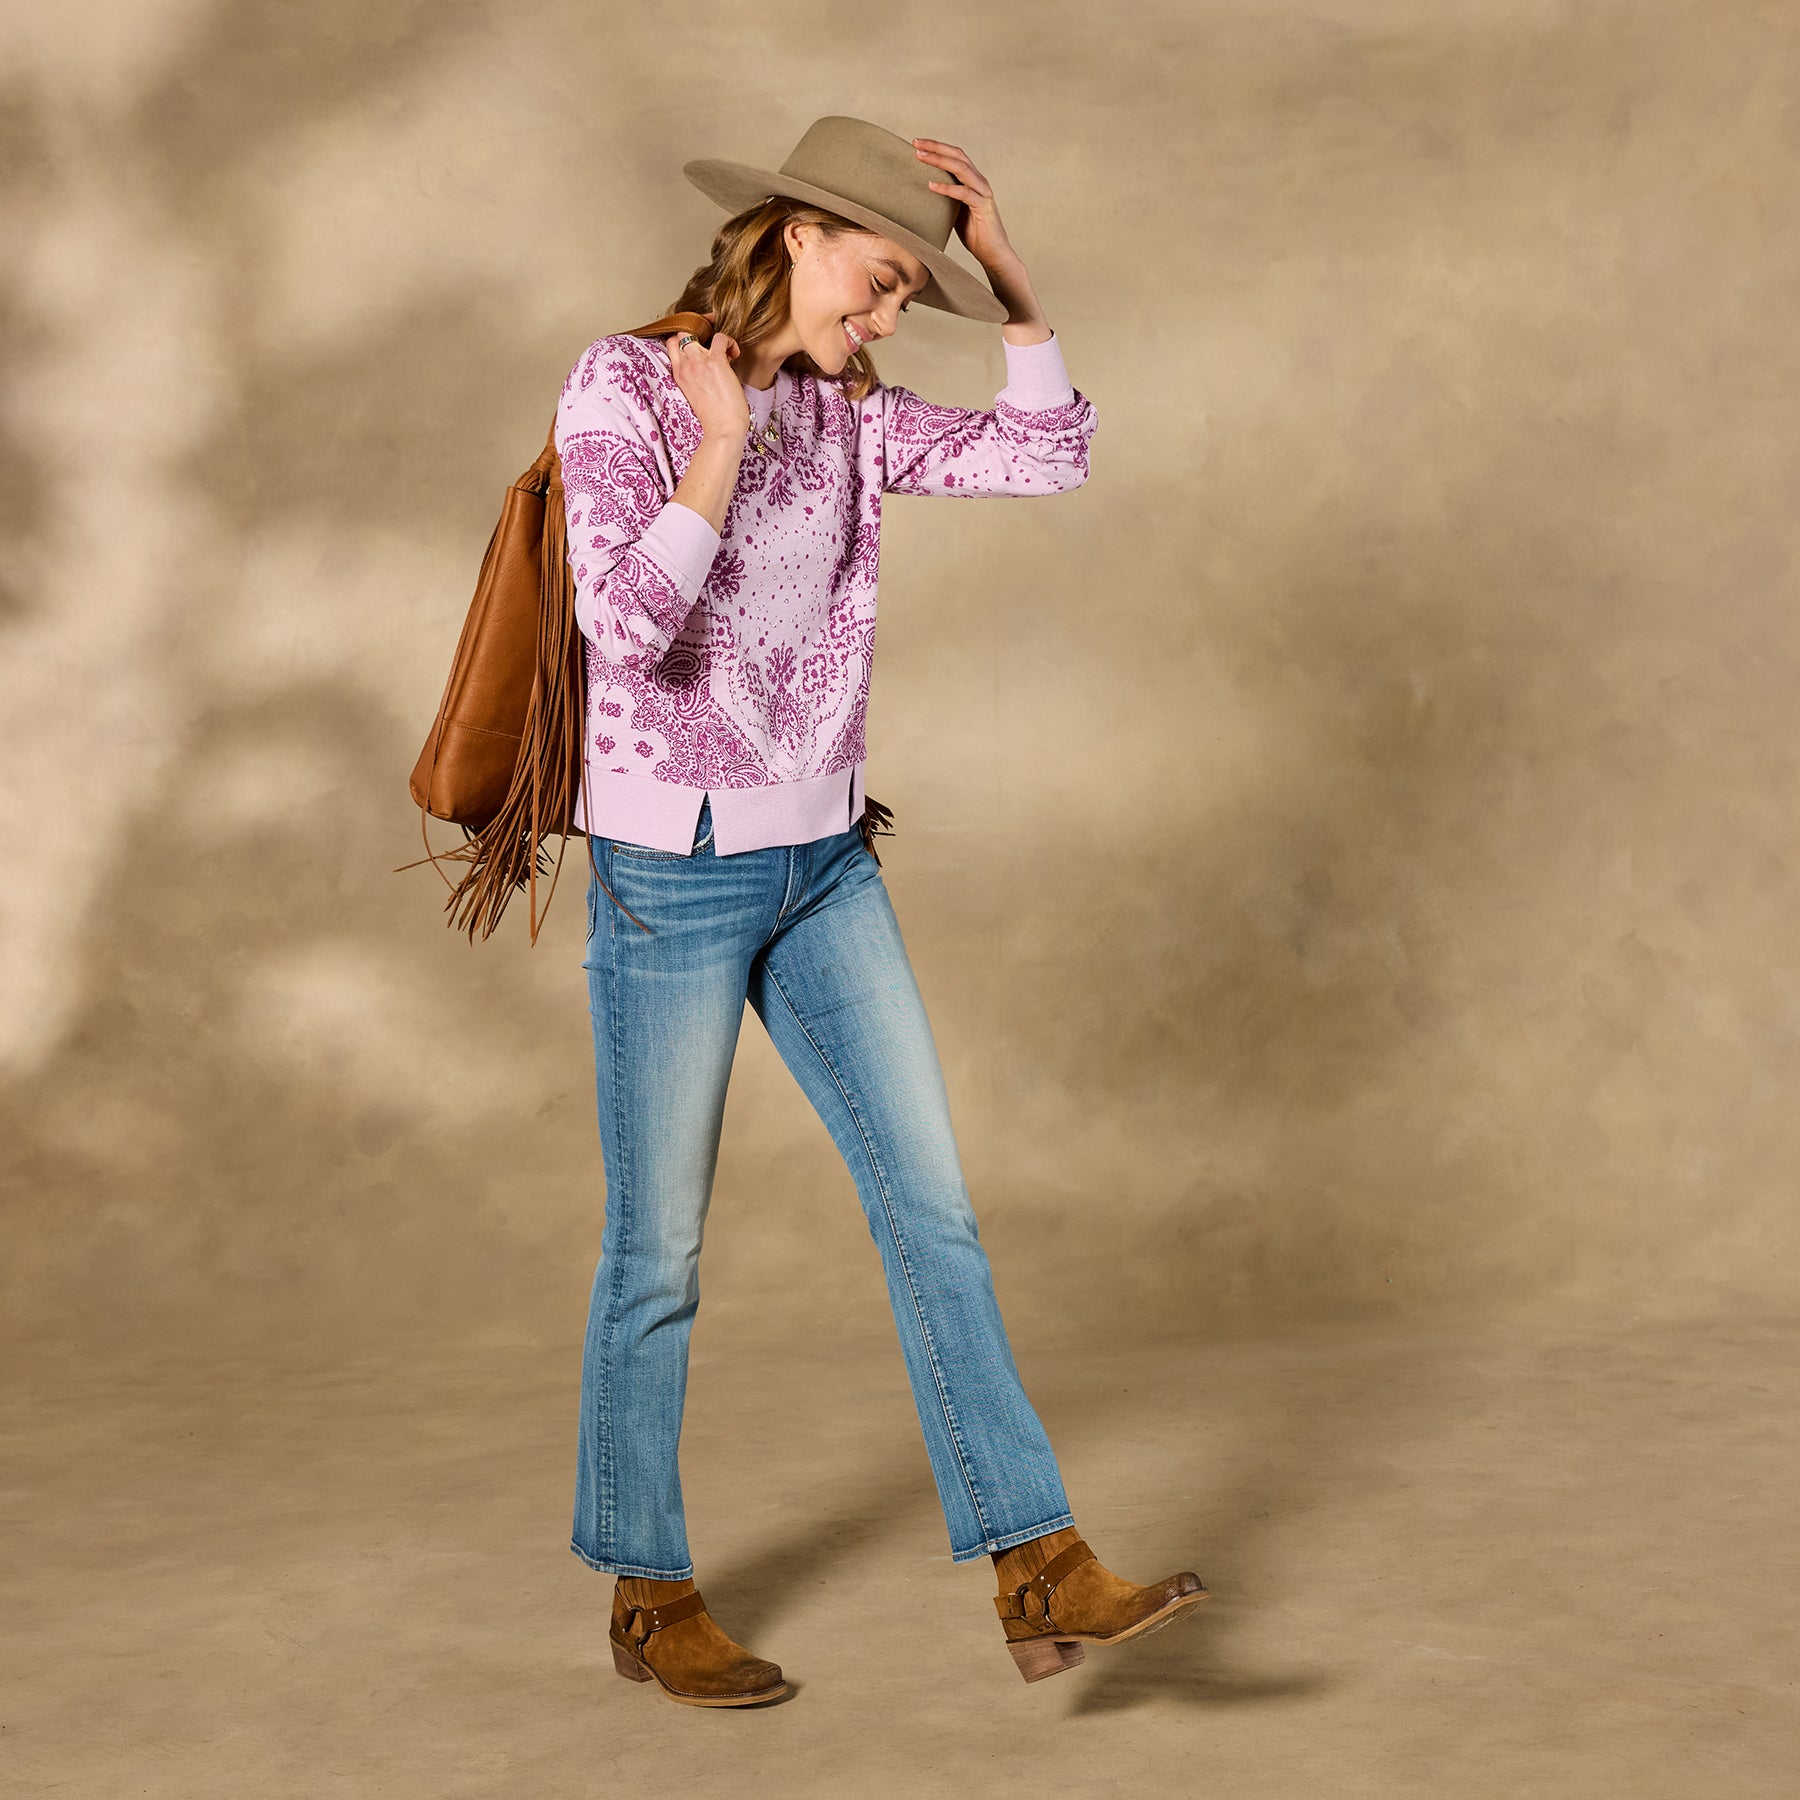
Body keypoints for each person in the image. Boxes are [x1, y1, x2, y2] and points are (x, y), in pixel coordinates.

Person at [557, 116, 1208, 1707]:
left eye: (915, 289)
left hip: (827, 863)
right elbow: (626, 631)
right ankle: (647, 1591)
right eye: (883, 275)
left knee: (933, 1214)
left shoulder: (851, 414)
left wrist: (1010, 280)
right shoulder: (624, 386)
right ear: (794, 234)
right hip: (674, 876)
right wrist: (718, 444)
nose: (894, 313)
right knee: (659, 1251)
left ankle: (1039, 1565)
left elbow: (1046, 453)